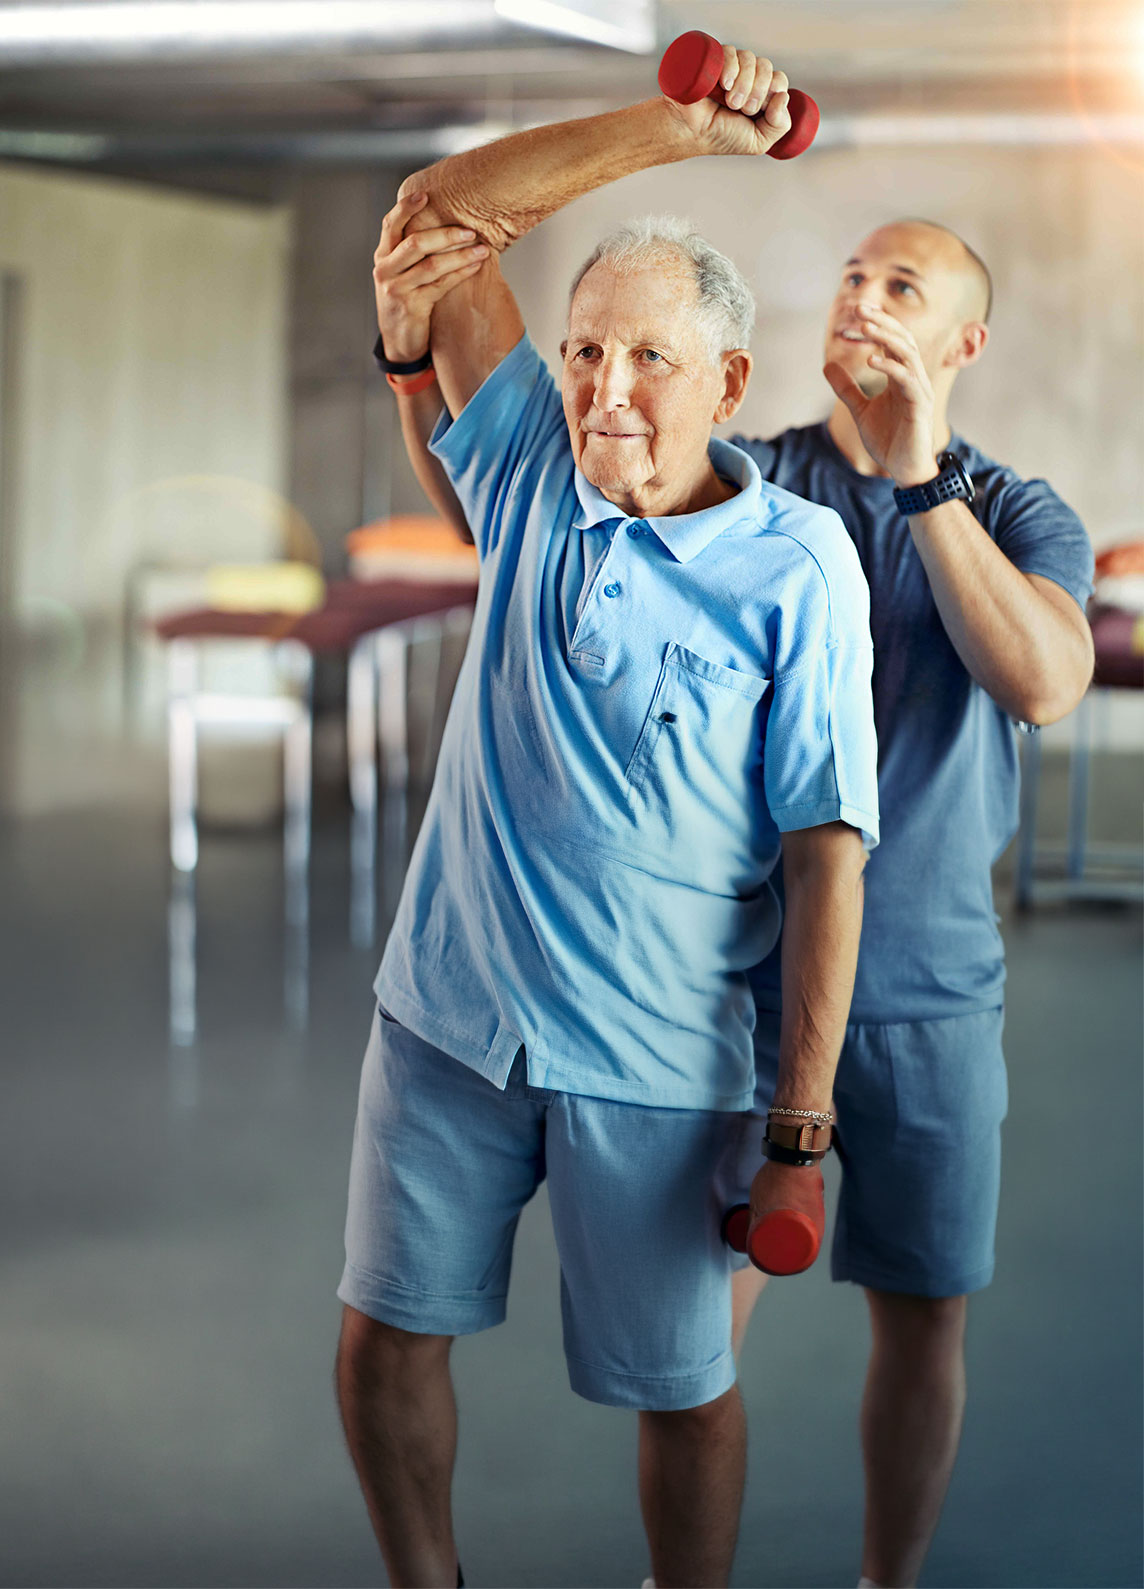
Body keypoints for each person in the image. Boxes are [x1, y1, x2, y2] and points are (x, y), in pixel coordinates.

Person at [384, 99, 1097, 1589]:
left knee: (922, 1314)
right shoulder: (753, 478)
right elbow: (586, 447)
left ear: (964, 343)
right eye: (850, 273)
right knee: (699, 1350)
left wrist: (921, 481)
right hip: (728, 982)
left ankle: (884, 1579)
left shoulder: (1012, 510)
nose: (865, 297)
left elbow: (1038, 677)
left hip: (927, 983)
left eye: (904, 287)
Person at [335, 47, 881, 1589]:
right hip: (446, 1025)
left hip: (656, 1063)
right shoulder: (522, 473)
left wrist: (799, 1128)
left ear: (728, 385)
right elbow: (437, 220)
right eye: (582, 352)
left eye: (646, 360)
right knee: (383, 1345)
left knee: (687, 1395)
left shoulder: (798, 571)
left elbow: (826, 855)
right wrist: (677, 130)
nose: (605, 391)